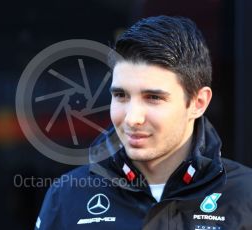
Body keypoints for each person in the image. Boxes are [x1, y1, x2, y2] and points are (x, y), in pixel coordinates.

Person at [35, 15, 252, 230]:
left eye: (153, 98)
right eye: (121, 95)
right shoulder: (67, 197)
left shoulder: (245, 196)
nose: (132, 118)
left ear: (198, 102)